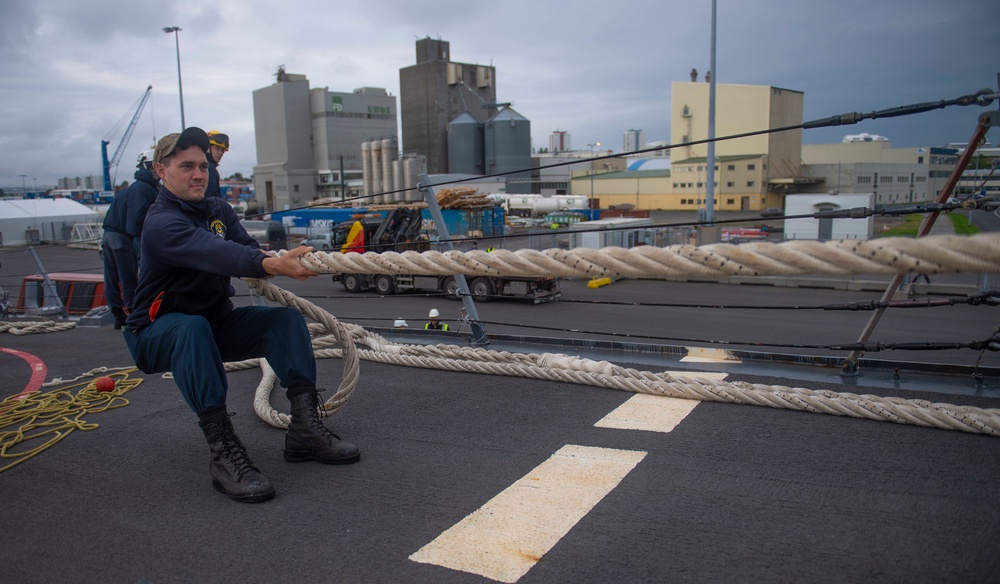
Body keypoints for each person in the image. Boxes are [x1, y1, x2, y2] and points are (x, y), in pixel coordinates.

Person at [123, 127, 359, 504]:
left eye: (202, 165)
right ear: (161, 171)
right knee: (192, 327)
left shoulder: (218, 210)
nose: (198, 174)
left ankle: (304, 429)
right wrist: (269, 262)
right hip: (156, 334)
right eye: (186, 166)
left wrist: (276, 261)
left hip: (213, 327)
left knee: (283, 321)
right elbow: (214, 252)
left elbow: (244, 249)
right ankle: (223, 453)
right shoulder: (160, 223)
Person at [101, 181, 137, 329]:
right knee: (127, 275)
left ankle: (117, 313)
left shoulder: (123, 193)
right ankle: (133, 311)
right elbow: (135, 220)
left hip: (107, 235)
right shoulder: (140, 193)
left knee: (110, 276)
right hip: (122, 237)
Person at [125, 149, 160, 258]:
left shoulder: (150, 187)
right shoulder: (140, 188)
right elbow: (139, 216)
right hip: (142, 236)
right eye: (152, 167)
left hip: (148, 235)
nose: (156, 171)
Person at [204, 130, 229, 199]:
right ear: (207, 148)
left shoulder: (206, 167)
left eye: (222, 150)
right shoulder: (209, 168)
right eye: (217, 149)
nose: (221, 153)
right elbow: (211, 200)